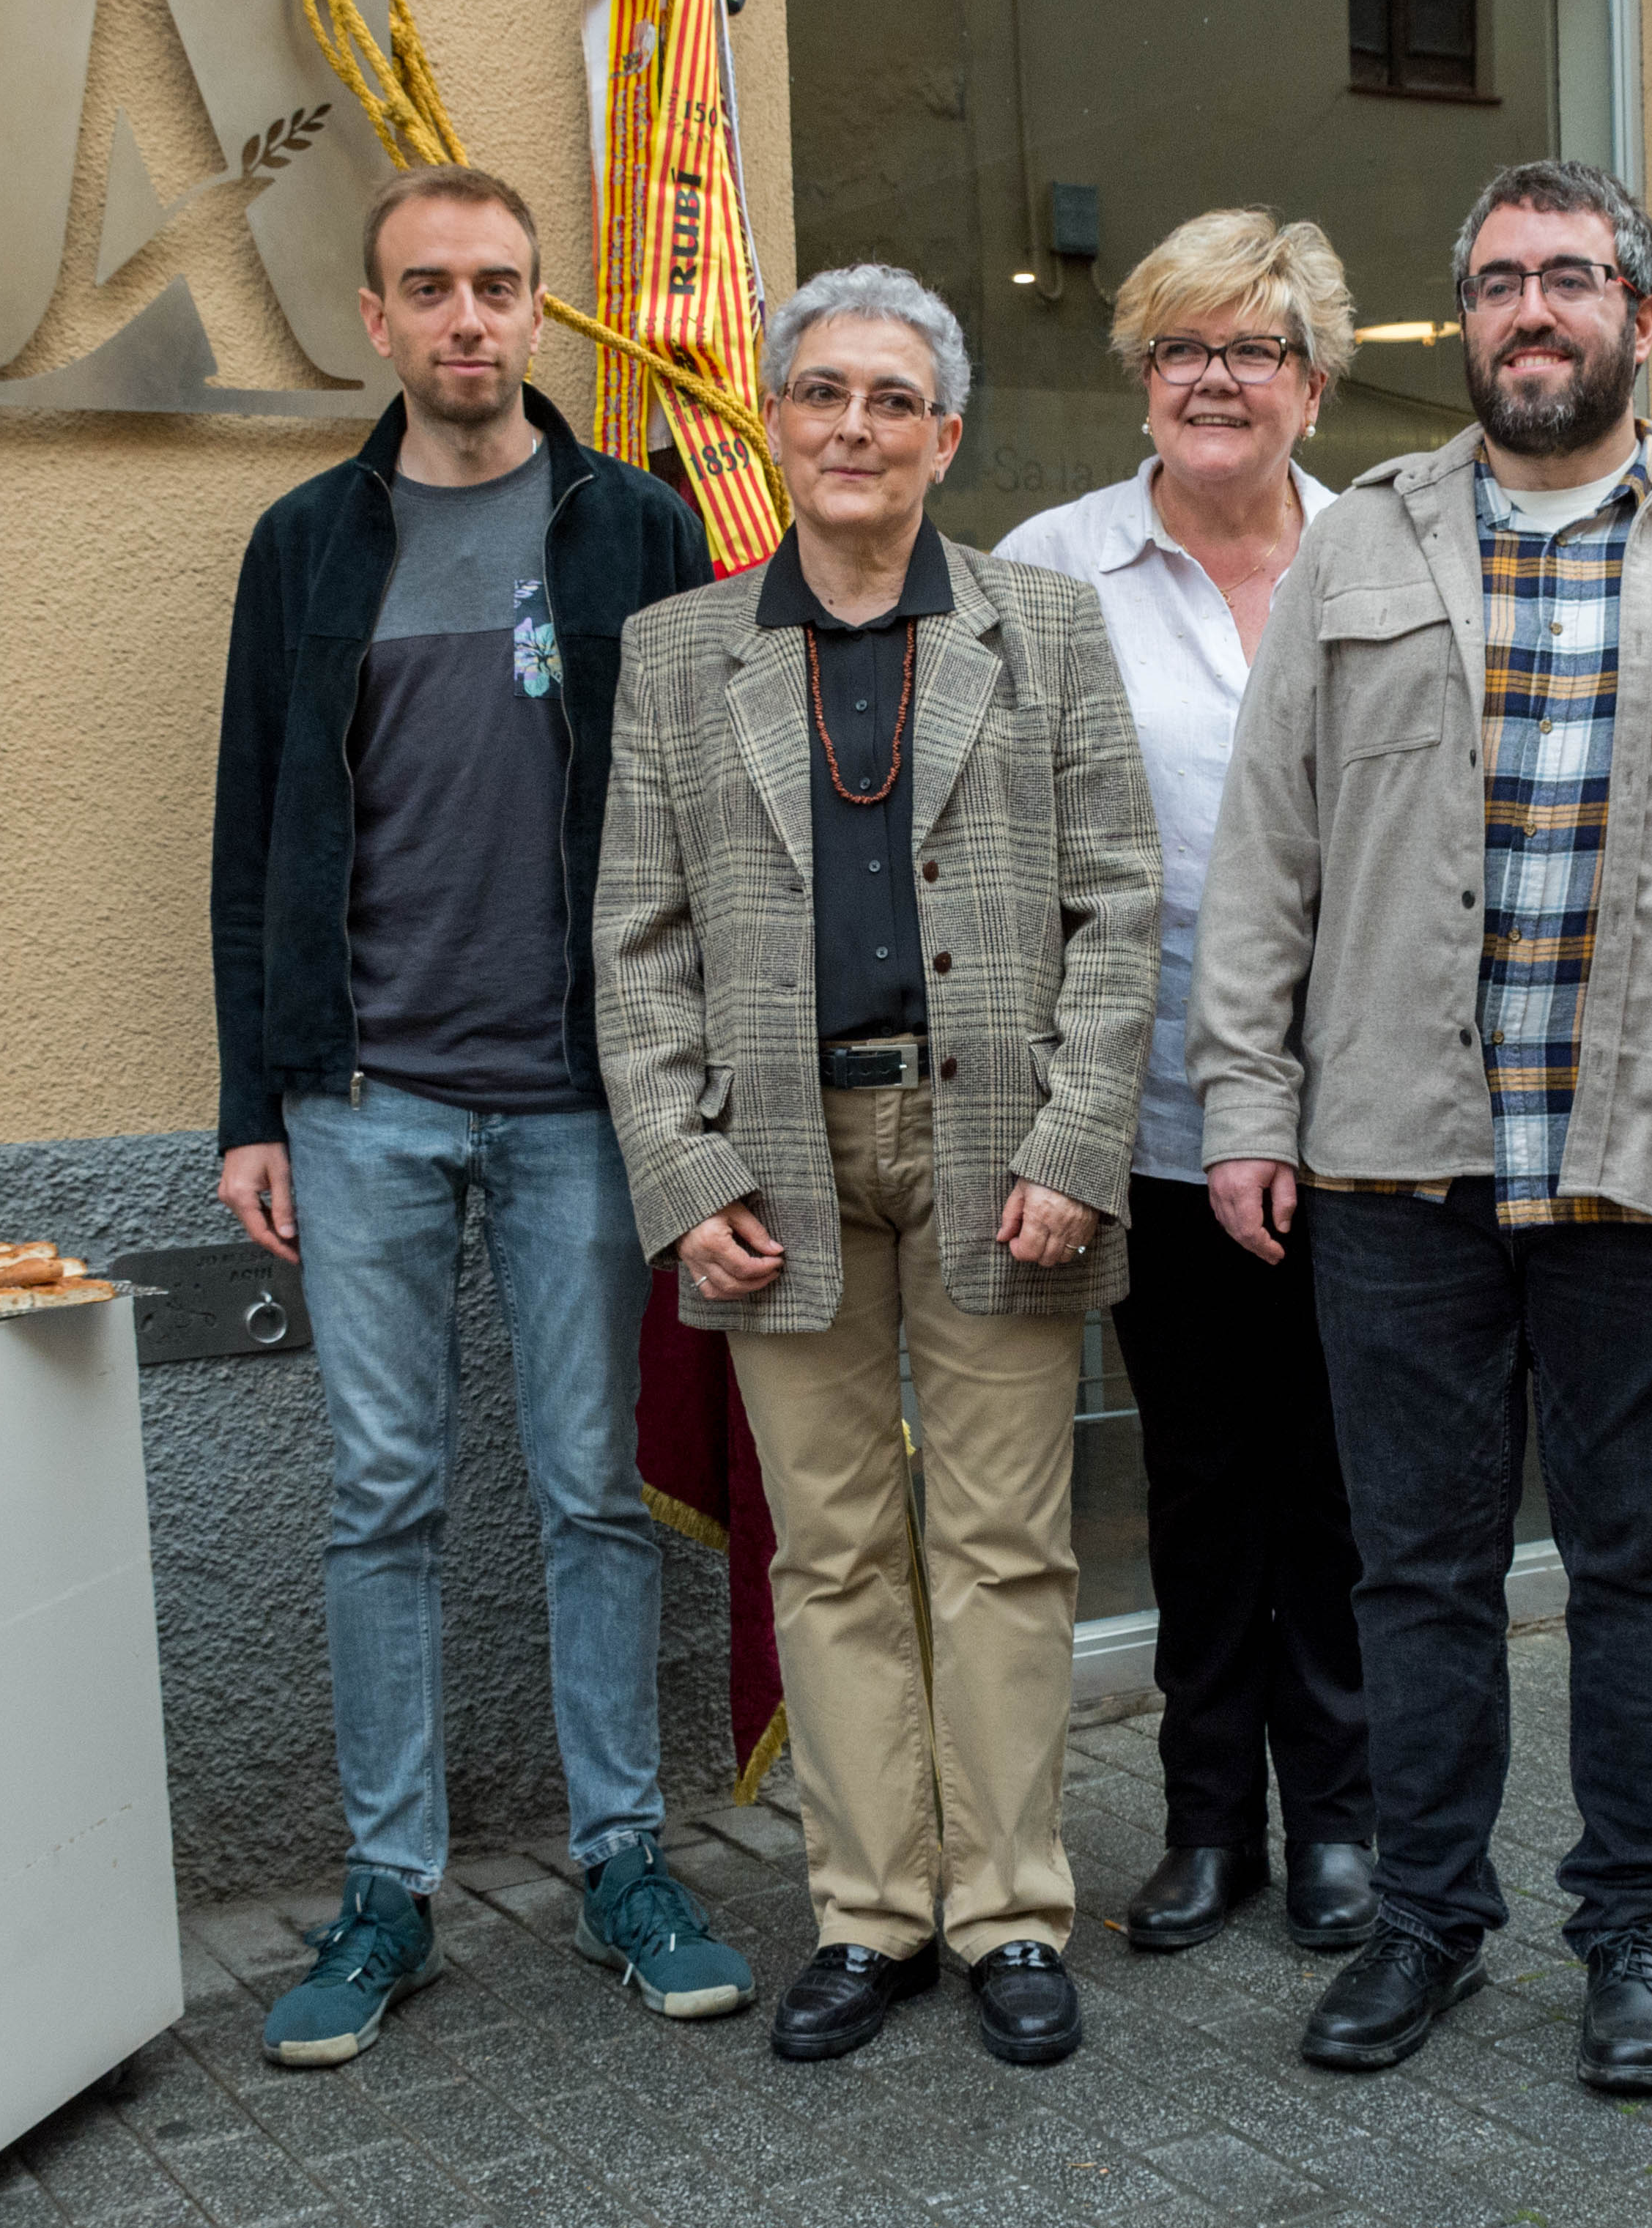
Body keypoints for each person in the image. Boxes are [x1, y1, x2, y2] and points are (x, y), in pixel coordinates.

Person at [1190, 158, 1652, 2098]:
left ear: (1639, 319)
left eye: (1569, 278)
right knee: (1412, 1570)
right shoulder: (1365, 551)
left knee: (1640, 1566)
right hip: (1398, 1159)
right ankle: (1425, 1918)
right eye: (1496, 281)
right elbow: (1270, 854)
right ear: (1467, 322)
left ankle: (1635, 1926)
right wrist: (1246, 1101)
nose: (1530, 312)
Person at [206, 162, 744, 2068]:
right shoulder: (306, 545)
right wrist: (249, 1101)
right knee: (382, 1498)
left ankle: (622, 1859)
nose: (464, 319)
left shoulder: (633, 531)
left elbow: (704, 828)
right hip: (360, 1103)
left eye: (497, 286)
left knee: (596, 1489)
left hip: (585, 1106)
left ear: (538, 311)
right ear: (377, 319)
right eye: (427, 287)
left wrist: (704, 1094)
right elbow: (251, 832)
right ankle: (388, 1892)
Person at [595, 264, 1160, 2068]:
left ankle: (1006, 1911)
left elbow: (1123, 905)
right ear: (778, 418)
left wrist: (1081, 1143)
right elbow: (633, 938)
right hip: (774, 1162)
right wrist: (685, 1175)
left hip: (1002, 1147)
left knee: (1003, 1543)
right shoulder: (679, 652)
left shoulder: (1046, 628)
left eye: (891, 398)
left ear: (946, 436)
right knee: (830, 1551)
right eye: (823, 391)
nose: (853, 425)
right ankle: (867, 1912)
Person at [991, 209, 1377, 1959]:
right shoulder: (1049, 569)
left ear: (1312, 380)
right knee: (1207, 1478)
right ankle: (1212, 1821)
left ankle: (1349, 1826)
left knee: (1352, 1478)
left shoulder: (1389, 553)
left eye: (1254, 349)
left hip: (1370, 1110)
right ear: (1140, 374)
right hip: (1150, 1110)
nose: (1215, 378)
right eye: (1179, 348)